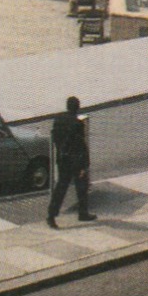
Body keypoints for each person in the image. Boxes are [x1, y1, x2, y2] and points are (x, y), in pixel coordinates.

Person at [46, 96, 97, 227]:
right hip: (75, 162)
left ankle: (51, 215)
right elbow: (81, 145)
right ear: (77, 108)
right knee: (82, 186)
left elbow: (55, 137)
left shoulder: (58, 119)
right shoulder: (77, 124)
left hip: (63, 160)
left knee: (61, 188)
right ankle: (83, 213)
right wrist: (85, 164)